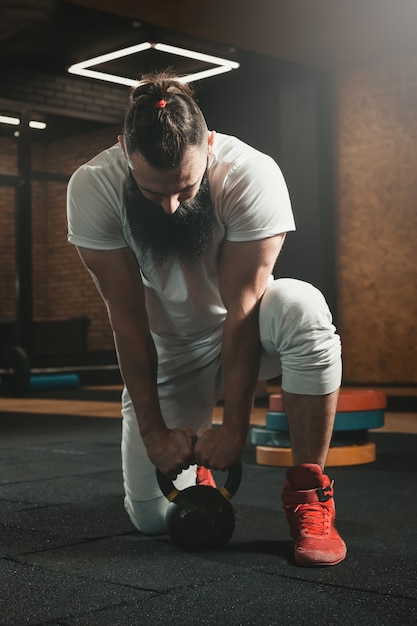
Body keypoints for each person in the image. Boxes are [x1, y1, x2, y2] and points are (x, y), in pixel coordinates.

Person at [66, 71, 347, 567]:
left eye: (185, 188)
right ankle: (200, 472)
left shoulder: (250, 174)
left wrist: (235, 426)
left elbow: (242, 307)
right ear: (123, 152)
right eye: (152, 193)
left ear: (210, 146)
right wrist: (155, 432)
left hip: (248, 330)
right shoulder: (93, 187)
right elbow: (127, 320)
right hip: (171, 347)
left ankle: (310, 494)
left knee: (303, 308)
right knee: (153, 520)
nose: (171, 206)